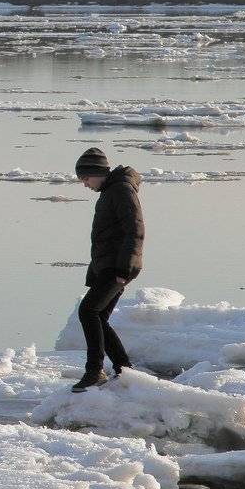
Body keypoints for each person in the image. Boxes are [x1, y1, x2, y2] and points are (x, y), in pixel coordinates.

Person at [71, 147, 143, 392]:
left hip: (118, 266)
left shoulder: (121, 190)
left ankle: (94, 371)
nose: (85, 185)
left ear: (97, 172)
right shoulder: (111, 191)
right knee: (98, 315)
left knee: (88, 311)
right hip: (108, 265)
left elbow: (135, 229)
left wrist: (126, 266)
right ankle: (124, 369)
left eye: (85, 179)